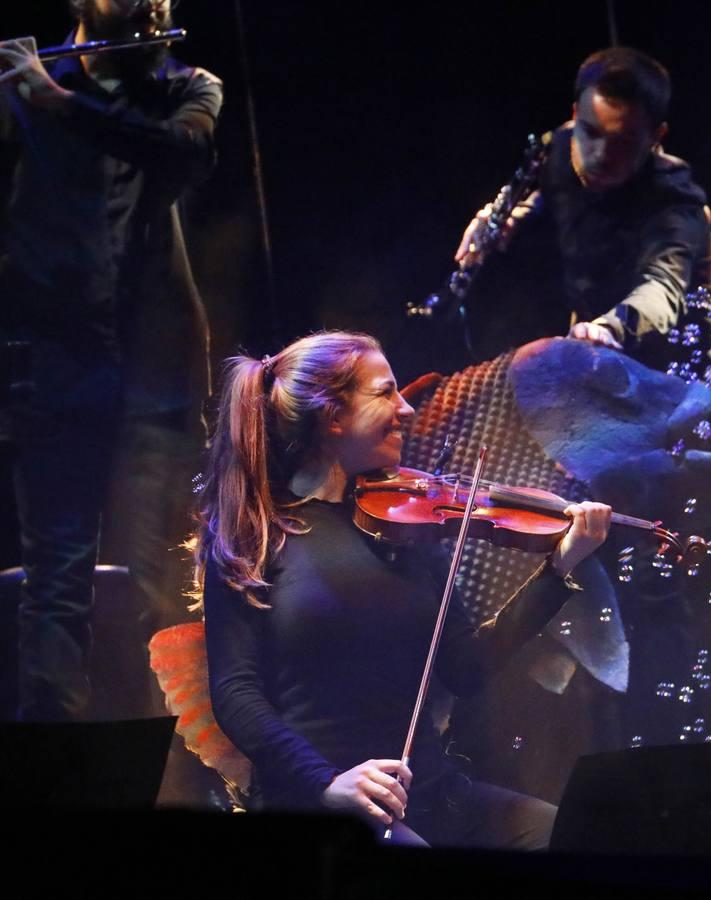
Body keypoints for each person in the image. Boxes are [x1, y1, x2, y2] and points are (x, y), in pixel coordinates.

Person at [197, 331, 612, 847]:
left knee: (576, 835)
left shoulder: (404, 525)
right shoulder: (255, 535)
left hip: (431, 793)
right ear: (333, 417)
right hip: (320, 800)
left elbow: (466, 668)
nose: (406, 409)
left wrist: (558, 569)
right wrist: (326, 785)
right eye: (385, 392)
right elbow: (236, 694)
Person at [0, 0, 222, 720]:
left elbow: (183, 154)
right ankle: (64, 785)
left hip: (156, 377)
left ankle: (167, 781)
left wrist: (58, 103)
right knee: (57, 587)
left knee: (160, 586)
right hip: (55, 371)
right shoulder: (20, 84)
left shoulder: (187, 89)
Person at [454, 47, 711, 373]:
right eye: (590, 132)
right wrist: (506, 216)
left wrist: (608, 328)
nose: (599, 155)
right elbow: (548, 191)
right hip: (595, 348)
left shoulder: (676, 200)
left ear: (656, 137)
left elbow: (662, 288)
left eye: (622, 142)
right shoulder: (559, 145)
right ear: (574, 115)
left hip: (676, 374)